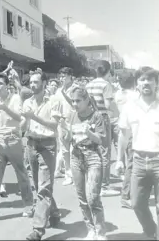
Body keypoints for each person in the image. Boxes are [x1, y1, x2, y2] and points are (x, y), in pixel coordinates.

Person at [116, 67, 159, 240]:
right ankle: (152, 230)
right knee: (136, 203)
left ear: (157, 83)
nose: (146, 82)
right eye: (142, 79)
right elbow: (123, 134)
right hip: (138, 160)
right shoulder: (129, 107)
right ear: (137, 84)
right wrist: (119, 160)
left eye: (150, 79)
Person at [0, 73, 34, 223]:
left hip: (13, 139)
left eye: (0, 84)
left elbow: (19, 117)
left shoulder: (15, 98)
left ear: (7, 86)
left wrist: (4, 108)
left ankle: (29, 205)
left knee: (21, 173)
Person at [61, 87, 107, 240]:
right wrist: (64, 130)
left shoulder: (96, 116)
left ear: (87, 100)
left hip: (93, 156)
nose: (74, 104)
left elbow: (101, 140)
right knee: (82, 198)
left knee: (93, 197)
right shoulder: (72, 115)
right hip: (76, 157)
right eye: (73, 101)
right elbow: (67, 141)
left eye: (78, 101)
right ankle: (91, 229)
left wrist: (89, 133)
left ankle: (100, 232)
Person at [22, 71, 61, 241]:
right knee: (39, 186)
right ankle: (54, 212)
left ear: (44, 83)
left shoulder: (54, 101)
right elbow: (24, 123)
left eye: (36, 82)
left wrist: (34, 117)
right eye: (31, 82)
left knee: (44, 186)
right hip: (31, 144)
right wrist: (21, 123)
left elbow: (53, 125)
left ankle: (37, 230)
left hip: (47, 145)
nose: (32, 85)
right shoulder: (27, 101)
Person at [86, 60, 119, 196]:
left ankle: (93, 181)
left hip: (91, 118)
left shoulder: (89, 85)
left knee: (93, 151)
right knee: (105, 152)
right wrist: (117, 112)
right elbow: (107, 104)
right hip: (103, 118)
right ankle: (104, 186)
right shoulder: (106, 85)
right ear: (108, 71)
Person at [114, 72, 137, 209]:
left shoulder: (118, 95)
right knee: (132, 164)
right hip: (132, 129)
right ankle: (126, 195)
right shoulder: (134, 96)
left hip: (122, 126)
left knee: (130, 162)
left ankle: (130, 193)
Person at [55, 67, 76, 185]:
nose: (62, 79)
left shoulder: (76, 88)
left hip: (74, 122)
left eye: (64, 76)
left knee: (74, 149)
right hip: (61, 121)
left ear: (70, 76)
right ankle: (68, 174)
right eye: (61, 76)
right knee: (64, 150)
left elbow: (75, 104)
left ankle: (76, 173)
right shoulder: (58, 90)